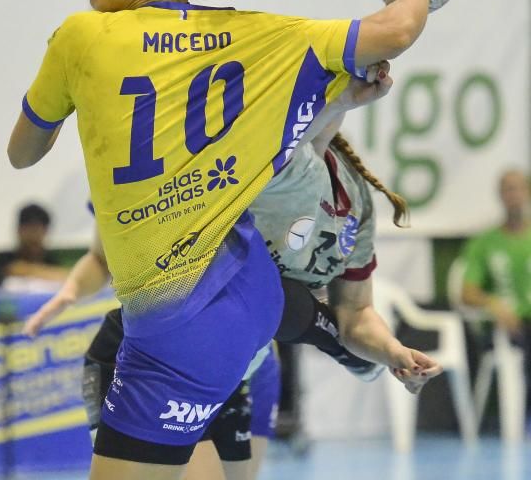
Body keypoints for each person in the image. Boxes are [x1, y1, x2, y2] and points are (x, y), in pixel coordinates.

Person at [8, 0, 449, 478]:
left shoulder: (81, 38)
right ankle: (340, 341)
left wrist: (62, 107)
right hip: (243, 300)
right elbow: (398, 29)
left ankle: (340, 340)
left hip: (182, 330)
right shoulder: (257, 37)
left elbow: (22, 152)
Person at [25, 83, 443, 480]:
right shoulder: (248, 161)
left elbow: (355, 313)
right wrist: (69, 290)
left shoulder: (352, 201)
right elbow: (103, 255)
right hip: (165, 358)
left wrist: (392, 351)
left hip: (245, 367)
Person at [460, 169, 531, 417]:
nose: (514, 195)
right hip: (507, 326)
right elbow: (466, 293)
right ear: (500, 196)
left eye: (518, 188)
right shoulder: (485, 243)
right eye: (508, 189)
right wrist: (493, 303)